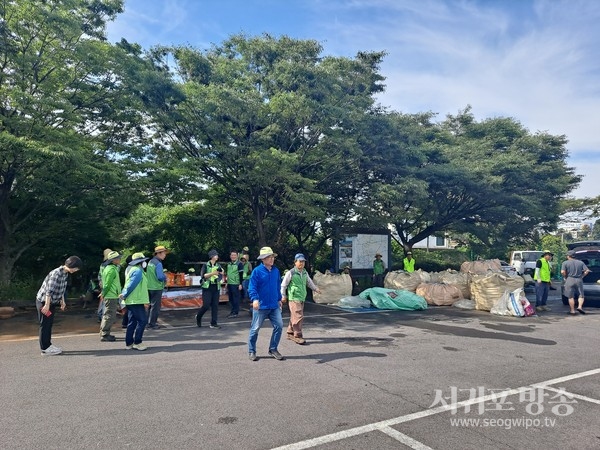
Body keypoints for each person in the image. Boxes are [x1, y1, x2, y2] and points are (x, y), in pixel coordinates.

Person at [35, 256, 83, 355]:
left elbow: (61, 288)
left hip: (52, 302)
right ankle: (44, 348)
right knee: (44, 325)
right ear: (71, 266)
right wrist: (47, 305)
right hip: (44, 302)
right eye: (76, 268)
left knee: (49, 324)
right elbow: (49, 291)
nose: (76, 270)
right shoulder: (56, 273)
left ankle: (48, 345)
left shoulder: (65, 273)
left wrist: (62, 301)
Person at [248, 246, 284, 361]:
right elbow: (252, 287)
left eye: (272, 257)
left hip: (274, 305)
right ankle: (252, 351)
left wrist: (279, 299)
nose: (272, 259)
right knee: (255, 329)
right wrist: (255, 299)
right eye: (269, 257)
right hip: (261, 306)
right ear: (263, 259)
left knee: (279, 326)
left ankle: (273, 349)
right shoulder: (257, 271)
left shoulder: (276, 271)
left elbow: (277, 286)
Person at [281, 253, 321, 345]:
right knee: (298, 317)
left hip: (301, 297)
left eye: (303, 262)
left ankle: (290, 332)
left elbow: (309, 282)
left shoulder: (304, 272)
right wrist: (283, 296)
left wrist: (315, 289)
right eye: (300, 261)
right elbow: (283, 285)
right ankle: (298, 336)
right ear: (295, 262)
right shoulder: (291, 273)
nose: (301, 263)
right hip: (294, 298)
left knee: (295, 316)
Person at [119, 252, 150, 350]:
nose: (145, 262)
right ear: (141, 261)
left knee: (132, 322)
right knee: (142, 320)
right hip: (136, 300)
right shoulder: (138, 271)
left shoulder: (133, 269)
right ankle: (137, 342)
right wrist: (124, 294)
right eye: (144, 260)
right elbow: (131, 284)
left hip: (132, 300)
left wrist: (124, 295)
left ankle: (129, 343)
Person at [195, 249, 223, 329]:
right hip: (207, 287)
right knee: (206, 305)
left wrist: (221, 274)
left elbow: (220, 275)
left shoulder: (218, 265)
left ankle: (214, 323)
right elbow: (203, 276)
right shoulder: (205, 265)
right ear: (211, 256)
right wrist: (213, 273)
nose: (217, 256)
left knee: (215, 306)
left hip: (216, 287)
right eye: (215, 255)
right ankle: (198, 317)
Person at [99, 251, 122, 342]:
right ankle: (105, 334)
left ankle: (104, 333)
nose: (120, 259)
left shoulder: (110, 268)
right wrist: (104, 293)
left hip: (110, 295)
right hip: (111, 295)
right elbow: (107, 284)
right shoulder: (111, 269)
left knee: (108, 314)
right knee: (109, 315)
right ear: (114, 260)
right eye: (118, 258)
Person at [561, 250, 591, 315]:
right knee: (581, 295)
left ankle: (572, 310)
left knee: (570, 296)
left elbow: (562, 272)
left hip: (570, 279)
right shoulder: (581, 262)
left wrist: (565, 277)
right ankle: (580, 307)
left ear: (568, 256)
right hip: (579, 279)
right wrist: (582, 276)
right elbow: (587, 270)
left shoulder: (565, 263)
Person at [147, 245, 169, 329]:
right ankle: (152, 324)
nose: (165, 255)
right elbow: (160, 277)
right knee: (155, 307)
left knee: (150, 306)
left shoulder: (150, 262)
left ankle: (147, 323)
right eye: (164, 253)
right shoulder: (158, 263)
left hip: (149, 286)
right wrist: (165, 276)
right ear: (159, 253)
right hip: (156, 287)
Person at [225, 250, 244, 318]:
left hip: (236, 283)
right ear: (230, 256)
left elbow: (241, 275)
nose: (233, 256)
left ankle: (235, 312)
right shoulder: (229, 264)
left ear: (237, 256)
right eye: (232, 255)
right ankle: (232, 311)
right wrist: (227, 282)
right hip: (230, 283)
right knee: (230, 299)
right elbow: (228, 274)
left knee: (235, 298)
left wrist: (240, 284)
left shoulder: (239, 264)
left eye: (234, 255)